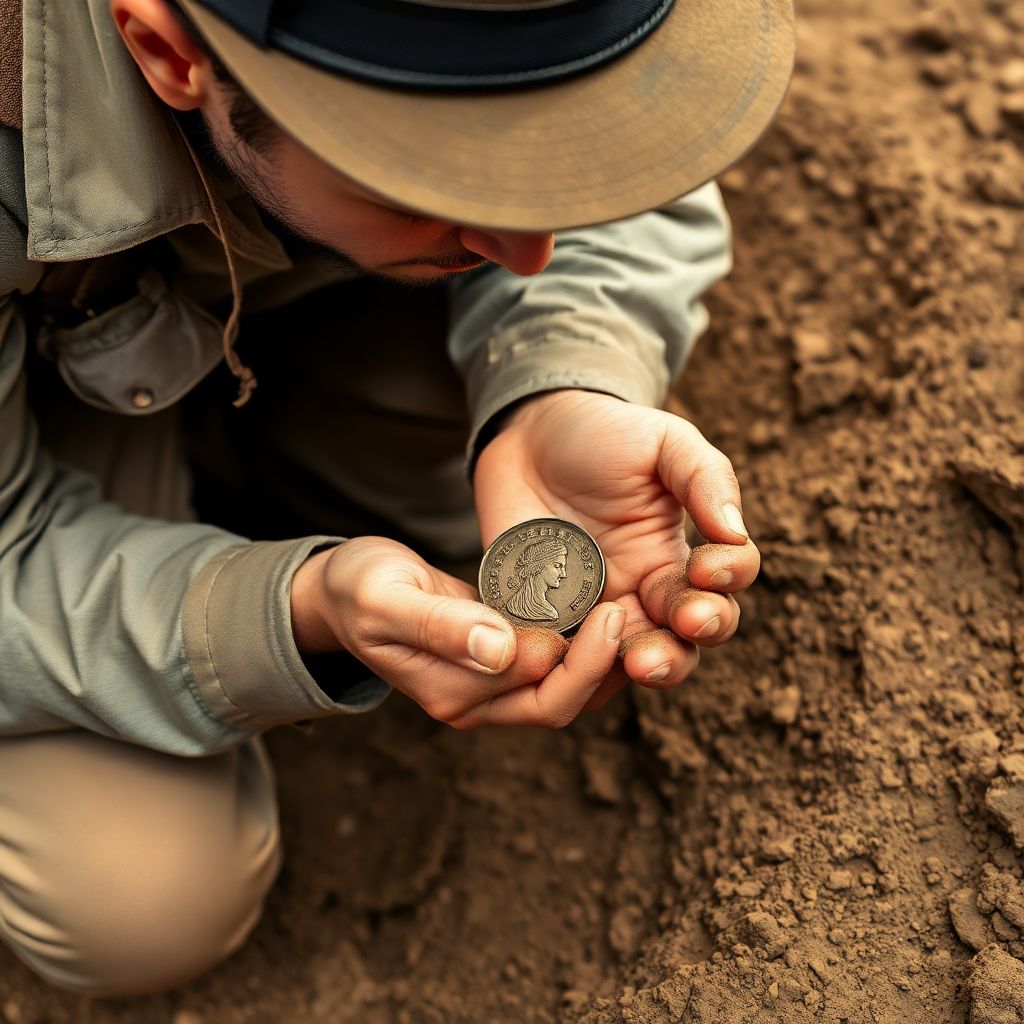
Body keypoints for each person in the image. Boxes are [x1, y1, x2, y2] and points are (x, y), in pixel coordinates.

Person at [0, 0, 793, 998]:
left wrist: (559, 378)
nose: (531, 246)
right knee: (139, 894)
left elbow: (625, 174)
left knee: (460, 493)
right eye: (425, 168)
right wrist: (293, 608)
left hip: (214, 280)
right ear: (167, 49)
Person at [505, 539, 568, 622]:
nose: (563, 575)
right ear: (538, 566)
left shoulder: (513, 605)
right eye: (557, 566)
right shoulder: (549, 612)